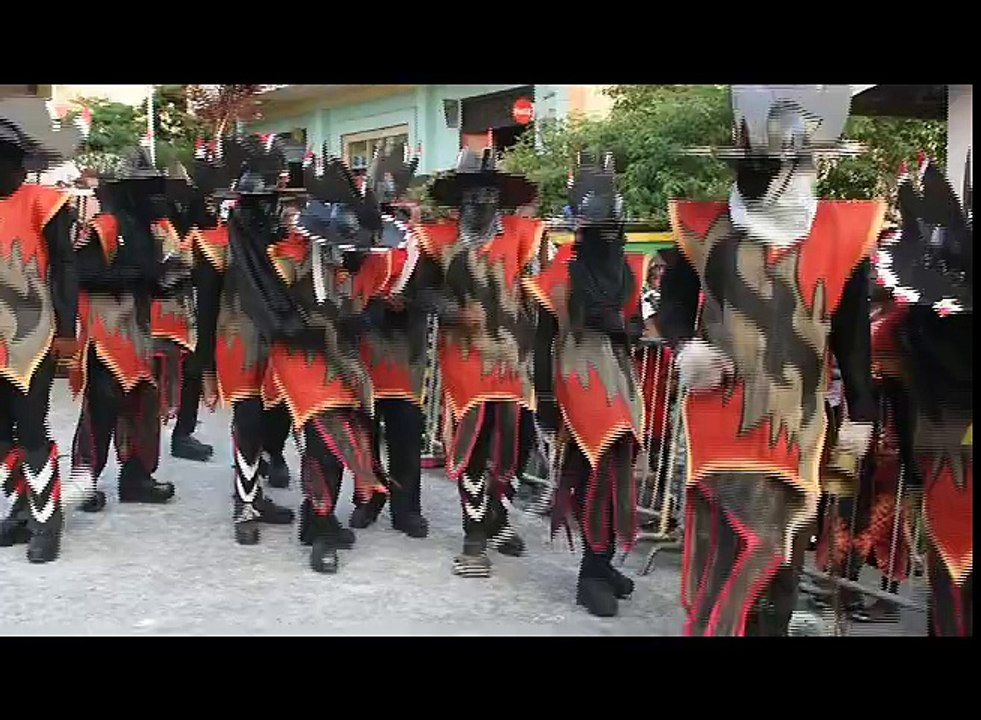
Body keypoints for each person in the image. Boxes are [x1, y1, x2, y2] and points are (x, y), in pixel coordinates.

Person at [657, 85, 881, 635]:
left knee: (783, 547)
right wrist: (687, 348)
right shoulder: (706, 228)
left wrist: (861, 412)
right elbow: (674, 308)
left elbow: (853, 338)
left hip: (798, 420)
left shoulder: (844, 234)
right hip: (720, 413)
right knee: (725, 539)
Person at [412, 147, 542, 577]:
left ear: (498, 198)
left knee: (516, 444)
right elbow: (421, 292)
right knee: (474, 444)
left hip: (515, 358)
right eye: (469, 195)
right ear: (458, 199)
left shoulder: (527, 235)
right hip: (465, 358)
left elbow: (545, 290)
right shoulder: (437, 239)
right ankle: (473, 536)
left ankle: (499, 519)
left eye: (485, 195)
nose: (477, 204)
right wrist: (452, 312)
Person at [528, 152, 647, 616]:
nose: (608, 239)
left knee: (618, 472)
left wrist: (626, 329)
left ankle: (602, 561)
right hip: (576, 377)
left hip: (617, 376)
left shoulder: (625, 269)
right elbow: (542, 340)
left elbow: (633, 323)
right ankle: (590, 574)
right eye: (600, 231)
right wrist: (543, 398)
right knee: (598, 470)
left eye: (613, 231)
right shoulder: (559, 273)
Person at [265, 150, 389, 573]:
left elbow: (365, 303)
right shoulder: (293, 253)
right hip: (299, 356)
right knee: (326, 439)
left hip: (343, 359)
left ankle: (315, 515)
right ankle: (321, 529)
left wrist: (362, 317)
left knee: (339, 441)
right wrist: (295, 322)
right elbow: (267, 296)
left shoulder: (366, 258)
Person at [877, 155, 972, 635]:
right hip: (948, 444)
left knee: (951, 569)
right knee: (952, 567)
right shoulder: (923, 321)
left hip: (941, 444)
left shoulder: (912, 319)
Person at [69, 147, 188, 513]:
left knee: (142, 404)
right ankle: (83, 480)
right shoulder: (104, 227)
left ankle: (137, 476)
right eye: (145, 187)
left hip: (136, 330)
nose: (154, 195)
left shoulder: (145, 230)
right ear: (125, 190)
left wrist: (169, 280)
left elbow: (147, 280)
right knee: (102, 405)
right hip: (105, 333)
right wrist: (138, 276)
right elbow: (80, 274)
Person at [191, 135, 298, 546]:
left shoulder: (294, 244)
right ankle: (246, 502)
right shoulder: (213, 244)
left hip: (283, 345)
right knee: (248, 421)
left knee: (277, 422)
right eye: (253, 202)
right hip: (236, 343)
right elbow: (205, 307)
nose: (263, 208)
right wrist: (204, 364)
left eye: (269, 200)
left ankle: (260, 490)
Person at [0, 97, 80, 562]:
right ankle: (24, 506)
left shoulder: (45, 203)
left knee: (31, 430)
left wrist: (67, 329)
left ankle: (47, 522)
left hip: (32, 335)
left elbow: (65, 269)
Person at [344, 144, 429, 539]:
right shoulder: (352, 238)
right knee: (363, 434)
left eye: (395, 197)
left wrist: (406, 301)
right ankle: (367, 498)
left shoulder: (419, 244)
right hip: (362, 351)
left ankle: (406, 507)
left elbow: (434, 291)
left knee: (406, 434)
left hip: (405, 353)